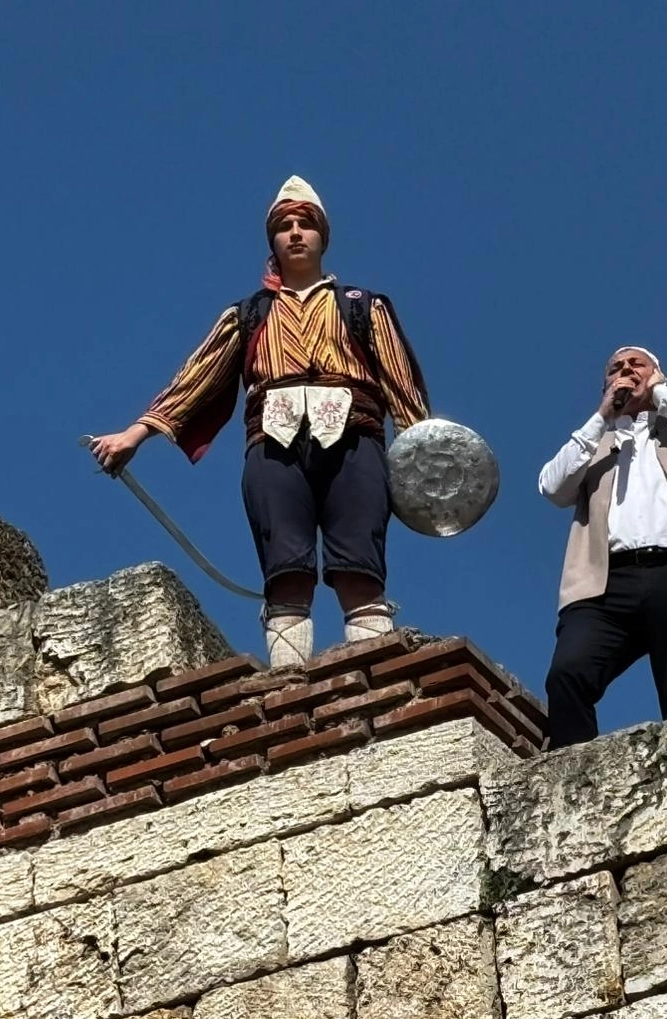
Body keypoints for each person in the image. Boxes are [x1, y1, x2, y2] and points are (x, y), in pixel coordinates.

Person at [88, 176, 431, 667]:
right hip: (274, 444)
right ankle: (289, 682)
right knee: (286, 570)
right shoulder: (248, 314)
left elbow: (403, 387)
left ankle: (373, 673)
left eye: (305, 225)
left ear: (322, 236)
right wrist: (135, 435)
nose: (295, 233)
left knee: (359, 565)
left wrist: (427, 458)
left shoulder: (362, 306)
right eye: (284, 226)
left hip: (354, 439)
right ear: (273, 240)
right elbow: (194, 379)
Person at [536, 345, 667, 749]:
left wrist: (659, 391)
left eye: (637, 364)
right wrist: (603, 416)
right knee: (568, 674)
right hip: (604, 584)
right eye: (616, 367)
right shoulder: (595, 441)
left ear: (657, 374)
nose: (626, 370)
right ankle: (575, 774)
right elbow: (551, 486)